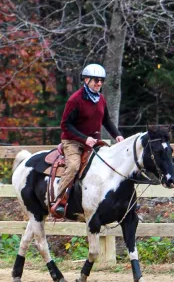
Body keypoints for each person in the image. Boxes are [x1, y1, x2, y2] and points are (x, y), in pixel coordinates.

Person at [51, 64, 124, 217]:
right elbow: (65, 125)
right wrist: (84, 139)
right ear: (86, 80)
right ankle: (59, 200)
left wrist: (117, 135)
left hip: (94, 142)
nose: (99, 83)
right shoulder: (75, 100)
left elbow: (107, 120)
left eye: (101, 81)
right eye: (96, 80)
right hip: (73, 142)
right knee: (73, 166)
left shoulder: (101, 99)